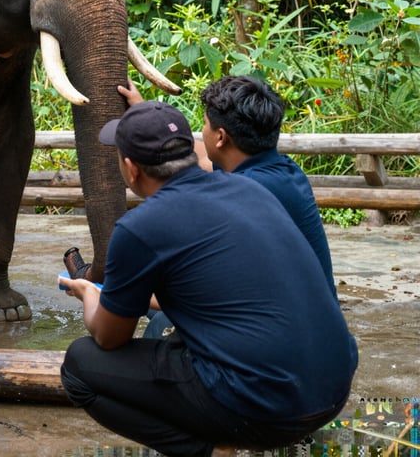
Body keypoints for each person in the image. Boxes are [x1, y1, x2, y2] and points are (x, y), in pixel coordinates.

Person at [59, 100, 358, 457]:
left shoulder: (139, 228)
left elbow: (110, 337)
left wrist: (89, 293)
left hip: (270, 410)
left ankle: (207, 450)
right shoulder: (249, 189)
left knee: (78, 365)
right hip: (334, 388)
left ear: (131, 168)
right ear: (190, 148)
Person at [120, 76, 337, 339]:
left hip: (282, 336)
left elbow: (196, 296)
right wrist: (144, 112)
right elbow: (196, 155)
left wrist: (117, 293)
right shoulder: (280, 171)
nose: (202, 131)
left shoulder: (237, 198)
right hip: (313, 324)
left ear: (220, 137)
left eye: (205, 124)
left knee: (157, 325)